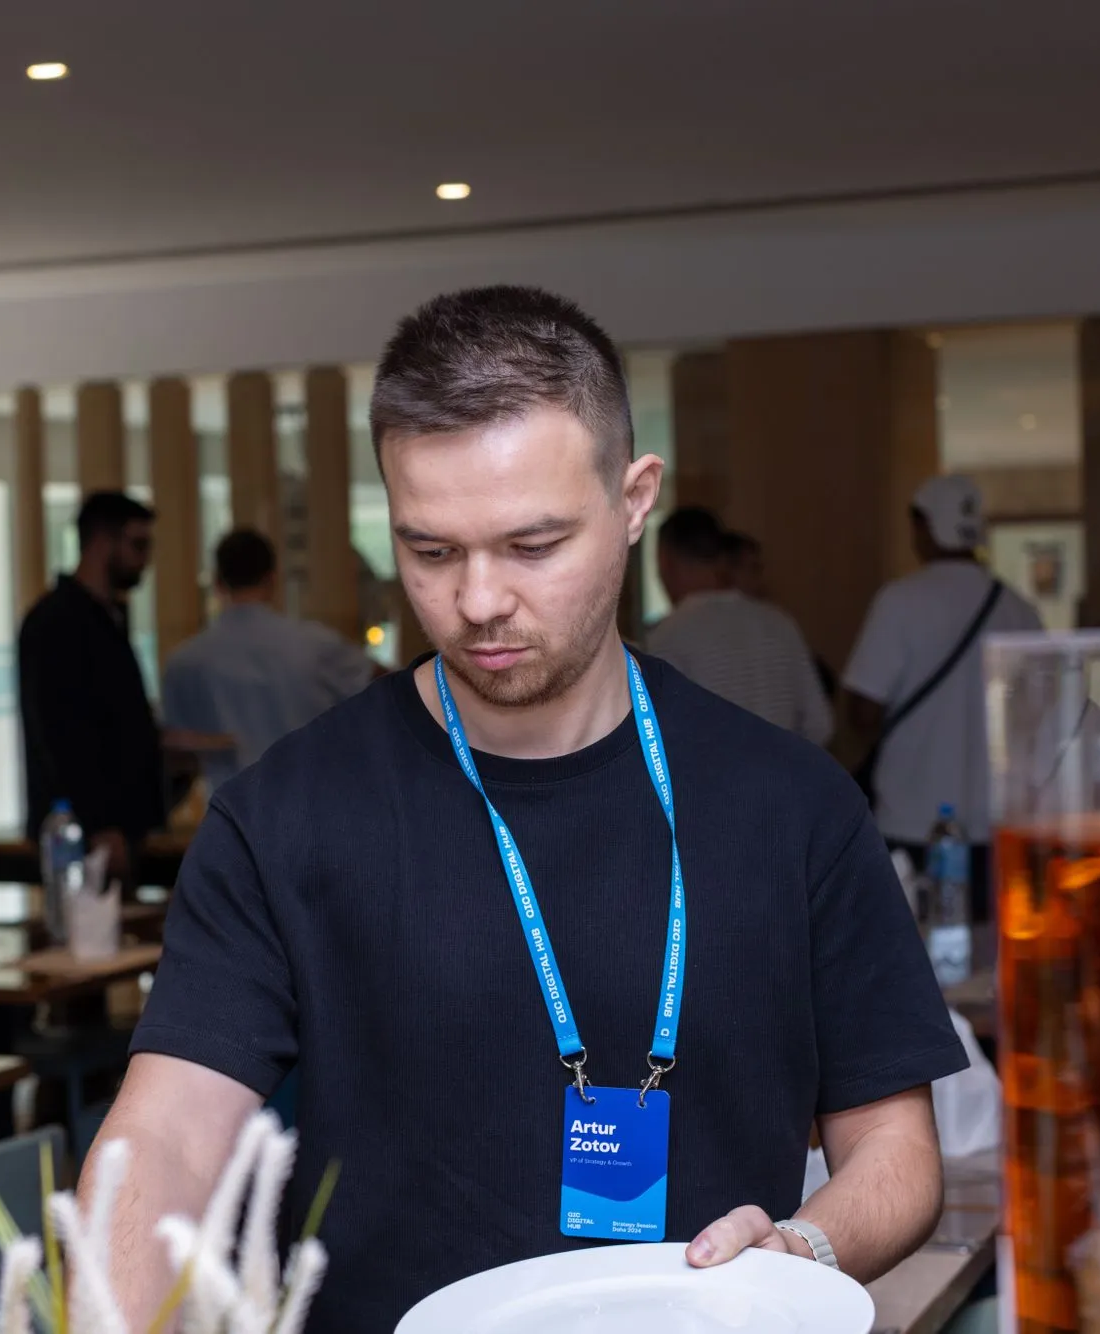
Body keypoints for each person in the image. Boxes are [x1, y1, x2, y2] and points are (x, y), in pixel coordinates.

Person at [89, 286, 965, 1333]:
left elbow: (894, 1149)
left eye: (532, 545)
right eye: (431, 550)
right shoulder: (281, 818)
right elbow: (170, 1140)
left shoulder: (791, 802)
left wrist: (798, 1246)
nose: (478, 600)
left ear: (634, 499)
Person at [831, 476, 1043, 923]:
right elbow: (1038, 715)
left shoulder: (901, 602)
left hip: (910, 820)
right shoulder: (1020, 610)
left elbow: (864, 709)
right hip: (996, 822)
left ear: (925, 527)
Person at [18, 491, 165, 884]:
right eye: (137, 545)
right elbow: (60, 732)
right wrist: (98, 824)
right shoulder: (57, 623)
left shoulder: (108, 619)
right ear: (103, 543)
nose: (145, 559)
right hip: (81, 834)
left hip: (116, 826)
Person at [160, 529, 374, 790]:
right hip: (313, 806)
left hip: (230, 815)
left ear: (217, 583)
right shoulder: (317, 646)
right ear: (273, 580)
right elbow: (386, 686)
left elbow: (176, 749)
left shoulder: (184, 662)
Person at [645, 507, 832, 743]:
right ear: (720, 560)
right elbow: (820, 724)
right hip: (782, 775)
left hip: (711, 777)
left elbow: (659, 734)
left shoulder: (667, 636)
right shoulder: (780, 624)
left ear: (665, 561)